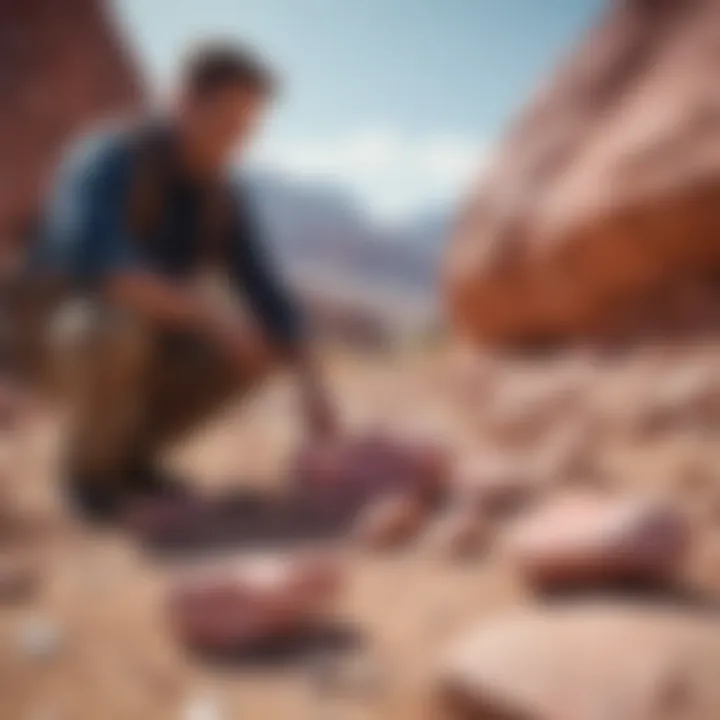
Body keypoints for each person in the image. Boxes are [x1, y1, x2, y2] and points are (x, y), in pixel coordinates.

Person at [25, 43, 337, 522]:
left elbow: (268, 292)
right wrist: (214, 318)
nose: (237, 141)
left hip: (149, 339)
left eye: (247, 129)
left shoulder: (221, 193)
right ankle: (89, 477)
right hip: (49, 339)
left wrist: (311, 387)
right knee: (110, 327)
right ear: (185, 101)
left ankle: (131, 462)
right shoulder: (109, 157)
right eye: (228, 123)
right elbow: (106, 267)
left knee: (261, 347)